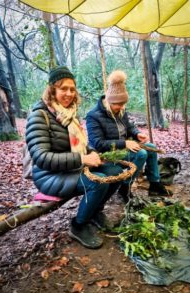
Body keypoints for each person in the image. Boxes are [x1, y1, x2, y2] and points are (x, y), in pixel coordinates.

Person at [25, 66, 122, 249]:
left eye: (72, 89)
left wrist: (91, 152)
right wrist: (82, 159)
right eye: (63, 88)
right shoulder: (39, 116)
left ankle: (94, 212)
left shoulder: (69, 113)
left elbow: (81, 144)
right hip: (49, 175)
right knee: (98, 182)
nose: (69, 93)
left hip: (71, 167)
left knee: (116, 171)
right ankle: (78, 226)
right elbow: (42, 158)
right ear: (52, 89)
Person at [86, 70, 173, 203]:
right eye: (118, 105)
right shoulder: (93, 116)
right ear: (109, 102)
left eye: (123, 104)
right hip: (107, 154)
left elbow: (129, 126)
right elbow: (98, 143)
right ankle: (125, 186)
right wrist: (125, 144)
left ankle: (154, 184)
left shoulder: (120, 110)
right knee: (141, 153)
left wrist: (137, 133)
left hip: (124, 147)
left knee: (151, 147)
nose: (121, 108)